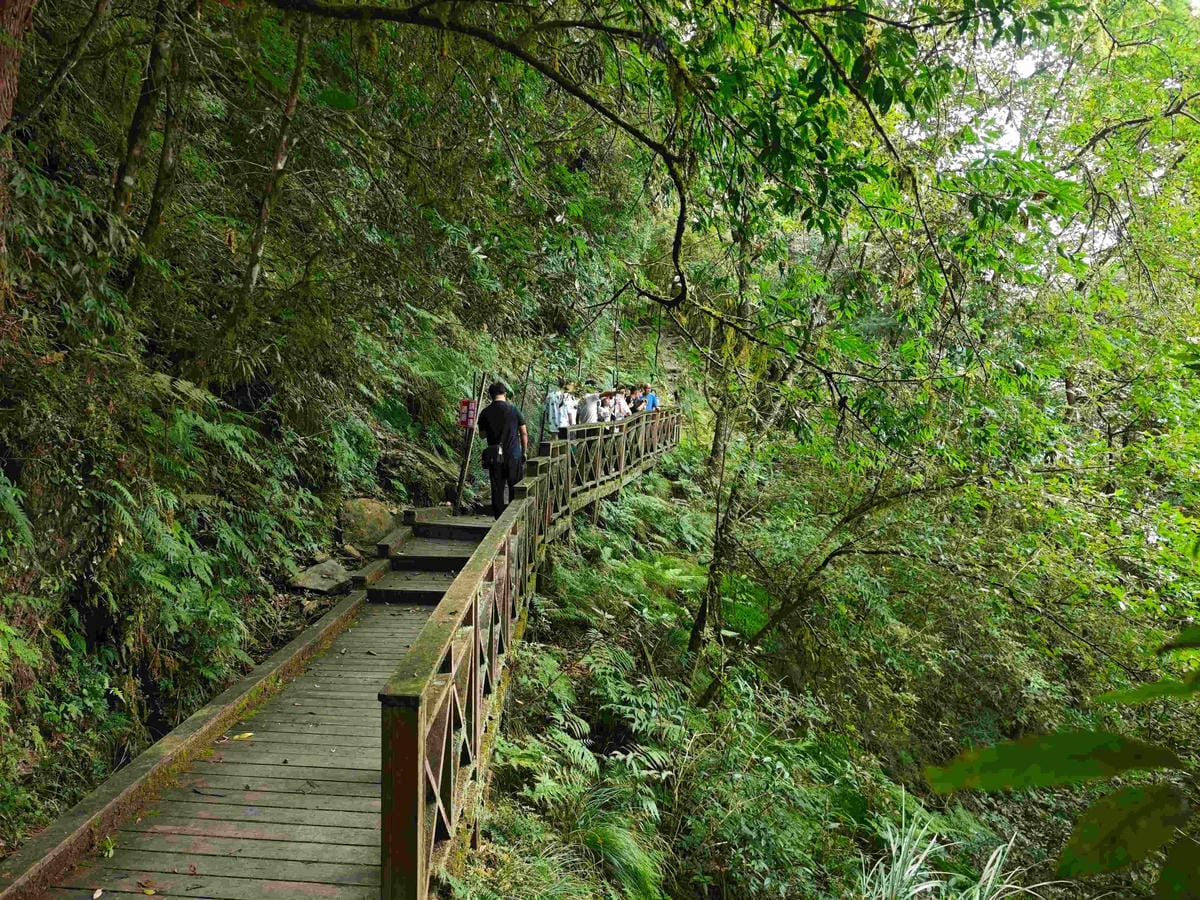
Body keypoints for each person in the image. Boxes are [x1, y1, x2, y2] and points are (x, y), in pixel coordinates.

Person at [477, 382, 528, 518]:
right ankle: (513, 518)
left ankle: (498, 519)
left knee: (497, 488)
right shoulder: (514, 410)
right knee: (514, 486)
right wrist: (524, 451)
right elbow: (523, 433)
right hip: (514, 455)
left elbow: (481, 435)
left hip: (495, 456)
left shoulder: (485, 412)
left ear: (491, 396)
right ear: (505, 394)